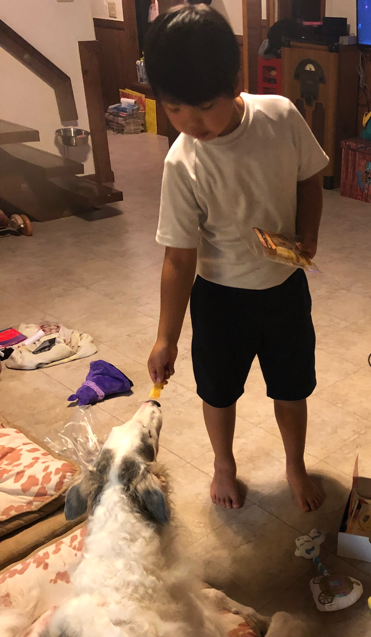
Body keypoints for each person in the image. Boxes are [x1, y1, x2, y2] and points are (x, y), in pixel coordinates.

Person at [144, 5, 328, 512]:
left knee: (292, 389)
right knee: (218, 393)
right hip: (220, 300)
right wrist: (165, 337)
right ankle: (223, 464)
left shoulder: (281, 116)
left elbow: (309, 179)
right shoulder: (182, 162)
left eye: (205, 106)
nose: (191, 122)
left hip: (285, 290)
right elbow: (178, 258)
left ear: (235, 83)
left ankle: (295, 465)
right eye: (175, 109)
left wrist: (309, 234)